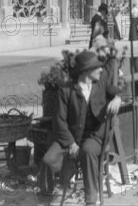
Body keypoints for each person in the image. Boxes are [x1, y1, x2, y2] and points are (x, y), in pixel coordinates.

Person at [42, 51, 124, 206]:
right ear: (86, 71)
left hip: (96, 135)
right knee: (49, 159)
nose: (101, 70)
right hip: (71, 136)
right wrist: (71, 144)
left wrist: (118, 99)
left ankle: (91, 199)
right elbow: (59, 121)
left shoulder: (102, 82)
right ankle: (58, 187)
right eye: (97, 67)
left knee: (87, 151)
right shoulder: (66, 90)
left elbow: (116, 91)